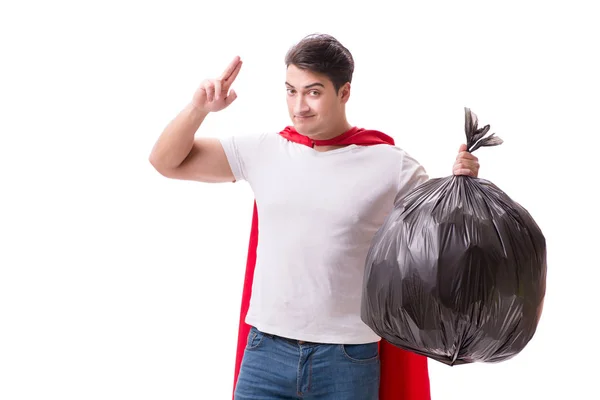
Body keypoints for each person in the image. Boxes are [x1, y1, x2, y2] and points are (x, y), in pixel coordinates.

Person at [149, 33, 479, 400]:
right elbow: (166, 161)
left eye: (313, 92)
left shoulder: (390, 165)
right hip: (265, 353)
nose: (299, 105)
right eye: (291, 90)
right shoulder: (265, 150)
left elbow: (442, 239)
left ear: (344, 93)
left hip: (346, 360)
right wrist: (198, 108)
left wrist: (462, 184)